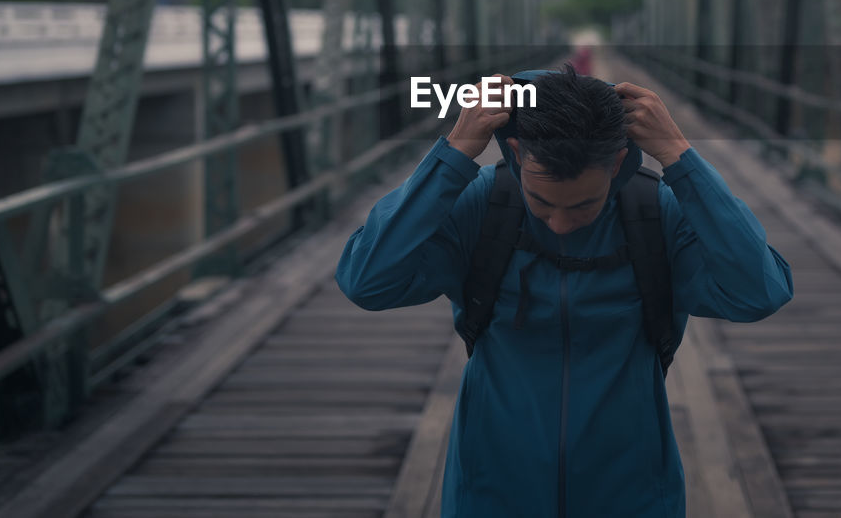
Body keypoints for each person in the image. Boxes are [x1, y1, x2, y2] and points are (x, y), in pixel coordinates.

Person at [335, 66, 793, 518]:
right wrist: (454, 154)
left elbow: (758, 292)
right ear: (516, 152)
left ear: (616, 164)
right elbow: (367, 279)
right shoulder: (480, 208)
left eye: (582, 205)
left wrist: (680, 157)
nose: (560, 222)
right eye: (542, 202)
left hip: (630, 494)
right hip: (493, 492)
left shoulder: (657, 216)